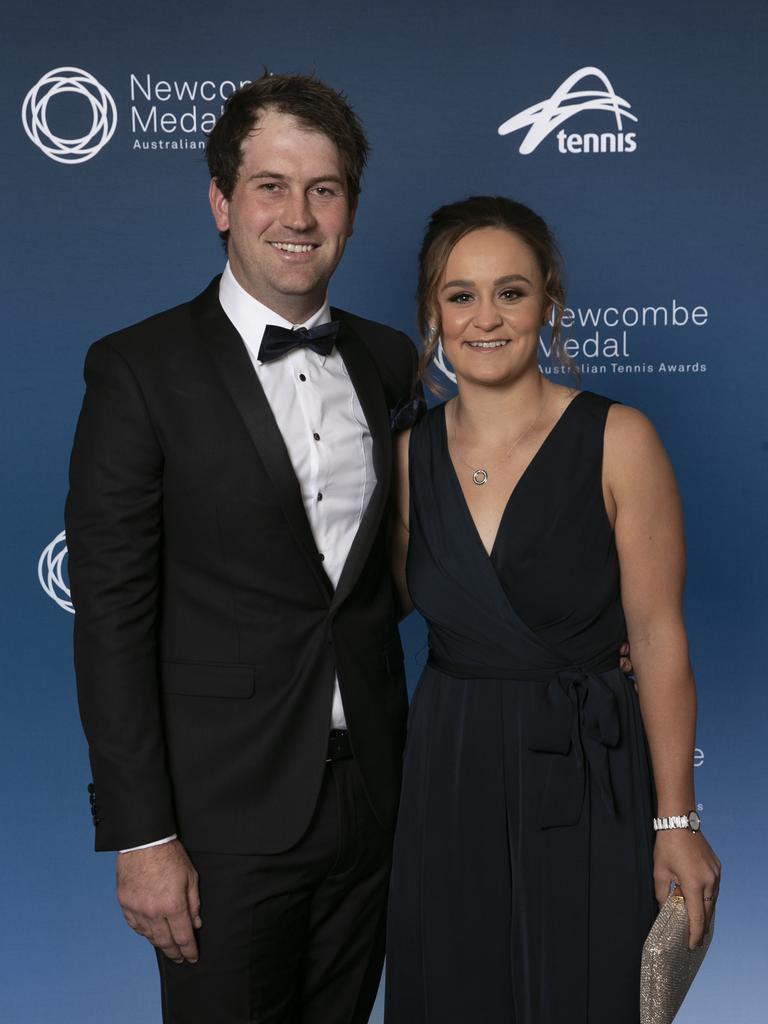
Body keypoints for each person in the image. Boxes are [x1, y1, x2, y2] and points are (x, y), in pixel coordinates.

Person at [65, 73, 419, 1024]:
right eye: (271, 185)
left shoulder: (391, 362)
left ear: (350, 206)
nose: (298, 216)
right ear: (222, 202)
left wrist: (589, 626)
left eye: (324, 188)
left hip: (376, 799)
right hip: (221, 818)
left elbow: (434, 552)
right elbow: (109, 617)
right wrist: (142, 835)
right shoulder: (138, 370)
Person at [384, 196, 721, 1023]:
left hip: (590, 771)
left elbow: (659, 637)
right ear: (433, 312)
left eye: (511, 291)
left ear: (548, 303)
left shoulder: (620, 438)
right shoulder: (406, 455)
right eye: (460, 295)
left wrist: (675, 818)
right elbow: (372, 611)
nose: (485, 317)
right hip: (451, 770)